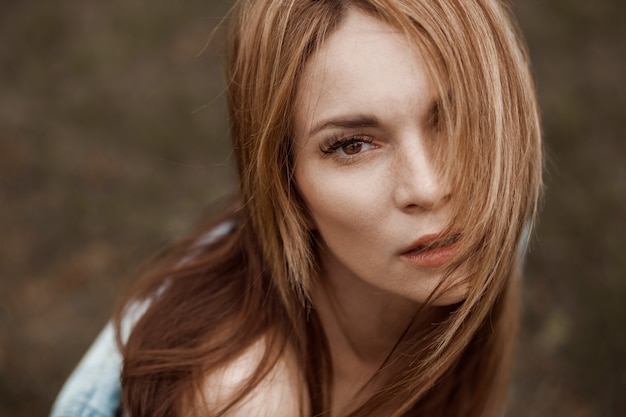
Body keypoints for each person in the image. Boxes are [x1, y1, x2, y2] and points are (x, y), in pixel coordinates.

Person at [51, 0, 542, 416]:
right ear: (286, 185)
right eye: (352, 145)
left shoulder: (485, 220)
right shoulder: (243, 397)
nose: (430, 188)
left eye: (456, 119)